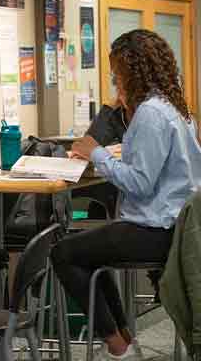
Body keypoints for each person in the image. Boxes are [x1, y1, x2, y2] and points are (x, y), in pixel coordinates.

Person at [51, 29, 201, 361]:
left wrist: (97, 154)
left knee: (64, 253)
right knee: (90, 250)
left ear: (132, 72)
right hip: (177, 229)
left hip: (154, 231)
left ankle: (117, 345)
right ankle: (123, 339)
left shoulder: (150, 113)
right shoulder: (177, 108)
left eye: (117, 74)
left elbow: (139, 183)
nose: (116, 82)